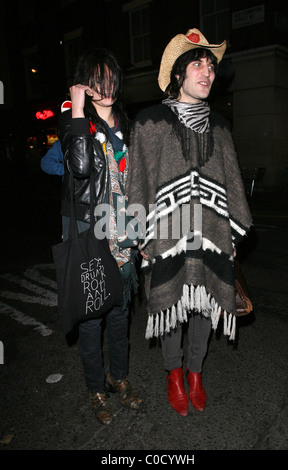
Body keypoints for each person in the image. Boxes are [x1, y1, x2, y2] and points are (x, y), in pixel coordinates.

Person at [127, 29, 252, 416]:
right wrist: (139, 235)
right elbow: (138, 183)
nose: (207, 72)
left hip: (210, 233)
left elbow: (230, 184)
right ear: (178, 74)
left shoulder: (221, 126)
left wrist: (230, 233)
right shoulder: (150, 122)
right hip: (166, 233)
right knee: (171, 303)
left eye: (211, 66)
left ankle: (195, 371)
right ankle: (173, 373)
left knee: (203, 303)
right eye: (197, 64)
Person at [58, 47, 142, 425]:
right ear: (85, 84)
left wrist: (141, 232)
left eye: (109, 78)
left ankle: (118, 378)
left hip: (123, 232)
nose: (104, 87)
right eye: (96, 80)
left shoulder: (125, 123)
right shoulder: (75, 121)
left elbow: (134, 182)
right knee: (92, 321)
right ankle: (95, 388)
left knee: (121, 315)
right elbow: (78, 167)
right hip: (92, 234)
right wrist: (76, 110)